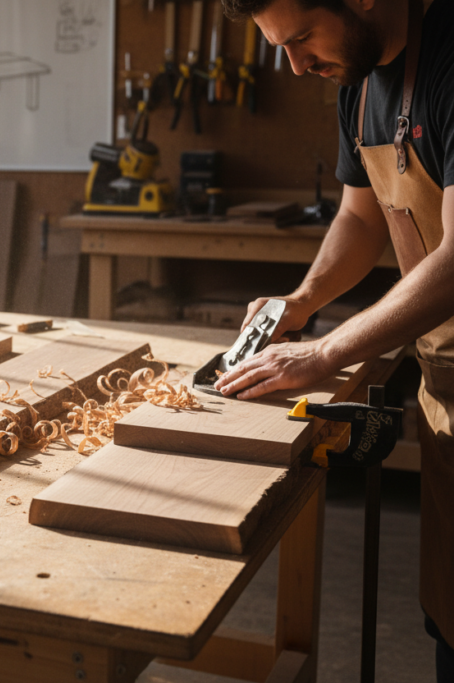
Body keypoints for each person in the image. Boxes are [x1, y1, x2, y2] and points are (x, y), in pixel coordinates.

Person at [215, 0, 454, 677]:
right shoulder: (355, 80)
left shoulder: (448, 62)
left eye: (301, 40)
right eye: (280, 49)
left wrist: (323, 351)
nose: (295, 66)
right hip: (447, 388)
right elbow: (361, 216)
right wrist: (302, 301)